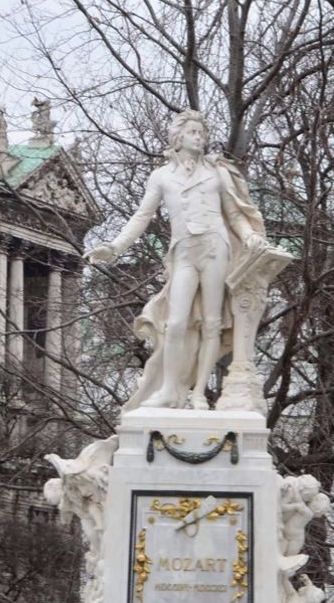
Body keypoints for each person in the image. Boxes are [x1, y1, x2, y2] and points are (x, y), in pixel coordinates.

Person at [86, 109, 268, 410]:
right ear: (178, 137)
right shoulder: (161, 176)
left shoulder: (216, 172)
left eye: (202, 133)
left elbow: (235, 215)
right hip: (183, 252)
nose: (199, 138)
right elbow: (142, 216)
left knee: (212, 323)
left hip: (215, 247)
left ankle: (197, 392)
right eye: (193, 133)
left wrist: (249, 235)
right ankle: (170, 390)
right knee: (175, 323)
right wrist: (115, 247)